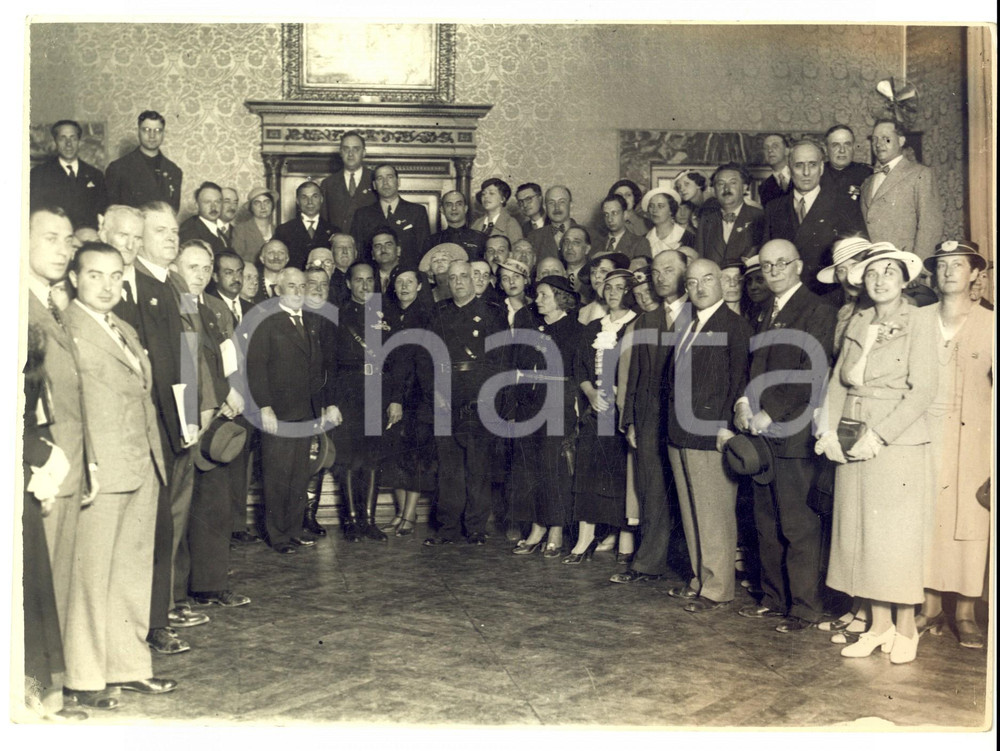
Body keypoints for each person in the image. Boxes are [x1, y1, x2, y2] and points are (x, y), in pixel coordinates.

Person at [61, 242, 176, 708]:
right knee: (91, 576)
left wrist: (154, 461)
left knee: (130, 572)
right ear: (74, 279)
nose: (106, 285)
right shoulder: (65, 329)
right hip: (100, 468)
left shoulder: (123, 327)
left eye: (114, 276)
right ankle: (84, 677)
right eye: (94, 275)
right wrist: (84, 462)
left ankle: (127, 665)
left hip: (140, 464)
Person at [815, 243, 937, 664]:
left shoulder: (921, 320)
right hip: (852, 434)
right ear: (861, 282)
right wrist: (828, 430)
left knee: (896, 540)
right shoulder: (858, 320)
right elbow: (837, 381)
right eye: (872, 274)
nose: (880, 280)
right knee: (863, 536)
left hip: (897, 441)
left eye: (889, 272)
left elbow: (923, 391)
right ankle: (878, 625)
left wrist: (881, 435)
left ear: (904, 280)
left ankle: (906, 629)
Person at [735, 239, 836, 633]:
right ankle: (774, 599)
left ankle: (805, 608)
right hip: (762, 436)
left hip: (792, 436)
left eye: (781, 263)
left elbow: (809, 372)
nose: (773, 270)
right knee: (767, 522)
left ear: (798, 266)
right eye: (766, 265)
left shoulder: (817, 309)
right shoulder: (764, 313)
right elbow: (754, 370)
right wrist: (744, 403)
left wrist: (767, 412)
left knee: (797, 525)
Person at [25, 207, 97, 718]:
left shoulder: (52, 304)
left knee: (56, 581)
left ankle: (53, 688)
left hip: (65, 459)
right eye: (49, 238)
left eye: (67, 241)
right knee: (36, 580)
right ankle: (32, 692)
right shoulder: (19, 304)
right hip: (38, 466)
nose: (61, 248)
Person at [663, 259, 753, 613]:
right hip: (679, 431)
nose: (699, 288)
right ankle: (700, 580)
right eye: (692, 282)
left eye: (707, 280)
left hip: (710, 433)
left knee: (714, 514)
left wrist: (726, 427)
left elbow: (739, 380)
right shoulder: (687, 322)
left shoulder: (734, 325)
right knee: (691, 512)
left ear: (722, 283)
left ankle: (717, 589)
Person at [918, 241, 993, 649]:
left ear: (974, 274)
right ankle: (929, 608)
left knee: (969, 521)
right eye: (942, 265)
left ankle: (965, 612)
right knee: (929, 518)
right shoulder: (918, 320)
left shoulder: (991, 323)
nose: (949, 271)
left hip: (974, 440)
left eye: (958, 265)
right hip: (926, 434)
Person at [246, 268, 342, 554]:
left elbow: (317, 370)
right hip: (279, 412)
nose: (298, 291)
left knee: (299, 475)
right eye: (291, 286)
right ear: (278, 290)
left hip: (306, 411)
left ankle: (293, 529)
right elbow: (256, 367)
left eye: (302, 286)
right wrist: (264, 406)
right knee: (277, 476)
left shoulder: (310, 321)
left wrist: (324, 404)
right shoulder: (266, 322)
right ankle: (277, 536)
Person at [612, 249, 690, 584]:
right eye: (656, 272)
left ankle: (694, 569)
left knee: (689, 494)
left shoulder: (700, 314)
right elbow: (636, 376)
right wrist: (629, 419)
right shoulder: (645, 321)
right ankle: (648, 563)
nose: (660, 278)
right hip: (649, 418)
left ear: (685, 272)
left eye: (668, 270)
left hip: (690, 421)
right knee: (652, 491)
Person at [423, 261, 506, 547]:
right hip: (446, 392)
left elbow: (500, 358)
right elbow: (426, 356)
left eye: (464, 277)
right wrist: (434, 391)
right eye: (453, 277)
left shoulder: (491, 313)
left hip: (478, 392)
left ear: (475, 280)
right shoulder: (438, 312)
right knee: (449, 466)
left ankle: (476, 527)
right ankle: (447, 528)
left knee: (478, 465)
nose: (458, 282)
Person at [564, 268, 637, 564]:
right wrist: (592, 395)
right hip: (596, 411)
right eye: (609, 287)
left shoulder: (638, 324)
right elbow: (579, 367)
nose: (613, 292)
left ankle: (624, 539)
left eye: (620, 287)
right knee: (588, 472)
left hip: (622, 412)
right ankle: (585, 538)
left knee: (621, 475)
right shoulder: (593, 327)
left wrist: (619, 396)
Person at [507, 276, 583, 558]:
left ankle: (556, 529)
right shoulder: (530, 326)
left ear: (560, 297)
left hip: (558, 402)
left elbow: (578, 373)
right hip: (528, 401)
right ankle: (537, 527)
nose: (536, 300)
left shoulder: (576, 330)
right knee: (529, 468)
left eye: (543, 295)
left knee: (554, 467)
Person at [325, 261, 396, 543]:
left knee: (373, 458)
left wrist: (395, 399)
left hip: (378, 389)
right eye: (358, 280)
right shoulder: (338, 315)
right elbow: (328, 362)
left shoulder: (385, 313)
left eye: (369, 280)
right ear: (348, 283)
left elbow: (395, 360)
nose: (364, 285)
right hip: (348, 389)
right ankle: (351, 521)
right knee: (348, 458)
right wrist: (332, 401)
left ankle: (369, 520)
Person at [763, 140, 866, 293]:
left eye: (812, 165)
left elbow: (860, 257)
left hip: (829, 297)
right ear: (790, 169)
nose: (806, 172)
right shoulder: (774, 208)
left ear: (822, 168)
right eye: (799, 165)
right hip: (788, 296)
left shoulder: (844, 205)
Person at [380, 269, 437, 537]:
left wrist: (398, 400)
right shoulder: (389, 314)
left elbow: (415, 362)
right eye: (399, 282)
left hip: (415, 395)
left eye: (409, 282)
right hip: (391, 392)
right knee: (395, 455)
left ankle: (410, 514)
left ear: (419, 286)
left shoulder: (426, 315)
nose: (403, 287)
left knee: (414, 456)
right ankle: (401, 512)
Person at [860, 119, 944, 262]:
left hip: (905, 267)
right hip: (872, 266)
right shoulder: (867, 182)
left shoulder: (920, 174)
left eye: (886, 139)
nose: (878, 144)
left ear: (901, 141)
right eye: (875, 139)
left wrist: (918, 267)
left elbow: (931, 226)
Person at [31, 119, 108, 231]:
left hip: (87, 239)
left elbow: (102, 213)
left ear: (79, 141)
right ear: (55, 142)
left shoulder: (95, 175)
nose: (68, 144)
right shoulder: (38, 174)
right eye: (63, 138)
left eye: (73, 138)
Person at [350, 163, 430, 267]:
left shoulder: (417, 212)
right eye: (380, 178)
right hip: (374, 278)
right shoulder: (362, 214)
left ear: (398, 181)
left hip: (407, 276)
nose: (385, 183)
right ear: (374, 185)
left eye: (390, 177)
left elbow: (424, 252)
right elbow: (358, 252)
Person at [105, 110, 183, 212]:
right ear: (138, 131)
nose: (152, 135)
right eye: (146, 130)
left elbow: (174, 210)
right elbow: (112, 211)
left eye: (158, 130)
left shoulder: (173, 171)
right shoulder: (118, 168)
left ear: (163, 133)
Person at [695, 163, 765, 267]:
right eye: (721, 184)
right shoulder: (706, 221)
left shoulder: (760, 217)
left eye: (733, 183)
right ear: (714, 190)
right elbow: (700, 260)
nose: (726, 189)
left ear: (745, 187)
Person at [320, 131, 377, 233]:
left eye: (356, 149)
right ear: (340, 152)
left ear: (364, 152)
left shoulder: (375, 179)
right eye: (346, 149)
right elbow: (324, 221)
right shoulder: (328, 183)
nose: (350, 154)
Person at [274, 181, 338, 270]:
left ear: (321, 199)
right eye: (304, 197)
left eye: (314, 197)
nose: (310, 202)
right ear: (297, 201)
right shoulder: (284, 230)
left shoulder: (334, 231)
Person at [423, 189, 486, 260]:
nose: (454, 208)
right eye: (449, 205)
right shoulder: (432, 241)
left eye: (459, 204)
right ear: (442, 210)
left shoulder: (480, 238)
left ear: (465, 208)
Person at [528, 185, 578, 261]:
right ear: (545, 207)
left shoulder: (592, 236)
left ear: (571, 204)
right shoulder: (533, 238)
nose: (556, 207)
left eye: (562, 202)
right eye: (551, 203)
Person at [578, 252, 629, 325]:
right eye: (593, 272)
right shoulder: (584, 311)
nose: (597, 275)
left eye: (603, 271)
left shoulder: (624, 308)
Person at [179, 182, 231, 254]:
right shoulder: (189, 232)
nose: (213, 207)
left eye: (217, 202)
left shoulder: (218, 230)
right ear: (197, 205)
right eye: (207, 202)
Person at [820, 124, 872, 196]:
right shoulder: (817, 174)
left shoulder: (867, 174)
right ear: (825, 149)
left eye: (847, 144)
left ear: (853, 147)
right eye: (836, 145)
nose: (842, 150)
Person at [642, 187, 694, 257]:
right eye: (651, 206)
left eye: (660, 206)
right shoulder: (644, 240)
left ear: (671, 210)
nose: (654, 210)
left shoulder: (688, 238)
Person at [231, 187, 276, 265]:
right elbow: (236, 259)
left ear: (272, 205)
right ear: (251, 208)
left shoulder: (278, 230)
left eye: (267, 202)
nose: (263, 207)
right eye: (257, 203)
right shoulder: (241, 229)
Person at [471, 178, 523, 242]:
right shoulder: (477, 223)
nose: (486, 196)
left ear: (503, 199)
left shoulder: (511, 223)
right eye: (483, 194)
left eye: (491, 193)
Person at [600, 194, 651, 259]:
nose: (610, 219)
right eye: (606, 214)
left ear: (625, 215)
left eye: (614, 213)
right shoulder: (596, 243)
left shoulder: (640, 243)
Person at [758, 133, 792, 207]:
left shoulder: (801, 175)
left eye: (775, 146)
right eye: (766, 148)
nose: (770, 150)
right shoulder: (764, 187)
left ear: (787, 151)